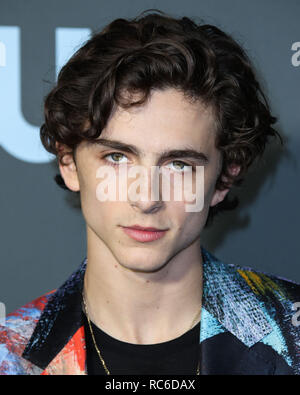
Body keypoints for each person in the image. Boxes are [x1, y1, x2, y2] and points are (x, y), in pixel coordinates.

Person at [0, 9, 299, 376]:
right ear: (69, 163)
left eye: (179, 165)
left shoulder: (293, 334)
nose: (146, 198)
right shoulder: (10, 356)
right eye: (117, 157)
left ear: (223, 179)